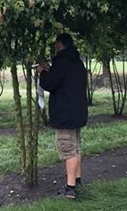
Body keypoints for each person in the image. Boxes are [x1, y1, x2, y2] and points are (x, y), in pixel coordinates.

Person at [37, 33, 88, 200]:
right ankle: (77, 182)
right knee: (76, 147)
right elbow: (65, 80)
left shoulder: (61, 62)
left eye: (56, 44)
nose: (55, 47)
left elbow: (50, 83)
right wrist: (50, 70)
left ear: (60, 44)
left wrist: (42, 73)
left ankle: (70, 189)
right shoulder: (77, 62)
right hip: (77, 112)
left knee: (68, 149)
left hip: (65, 115)